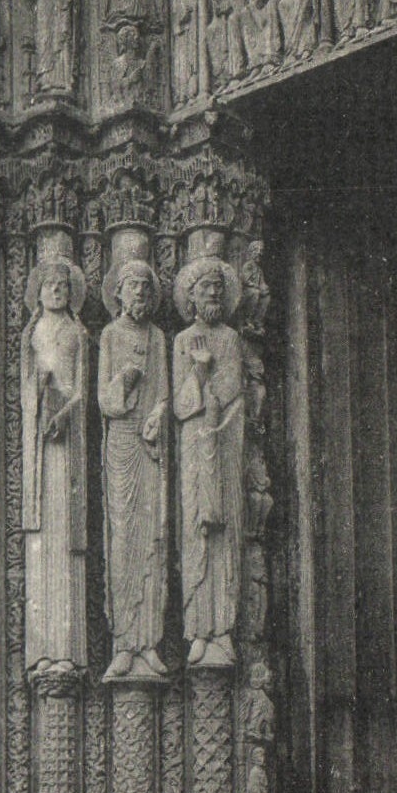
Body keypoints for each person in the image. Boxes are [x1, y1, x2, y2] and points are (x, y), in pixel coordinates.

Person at [98, 262, 169, 681]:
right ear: (119, 293)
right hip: (121, 443)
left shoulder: (158, 338)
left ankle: (150, 642)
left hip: (150, 445)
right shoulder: (109, 336)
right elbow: (105, 403)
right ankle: (124, 643)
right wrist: (123, 381)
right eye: (132, 286)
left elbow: (163, 394)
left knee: (153, 541)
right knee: (123, 540)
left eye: (146, 286)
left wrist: (159, 412)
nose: (140, 292)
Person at [173, 257, 245, 667]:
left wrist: (213, 396)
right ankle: (198, 630)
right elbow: (182, 406)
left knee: (225, 535)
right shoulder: (183, 341)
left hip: (225, 439)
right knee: (196, 532)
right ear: (191, 296)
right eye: (206, 288)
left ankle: (223, 629)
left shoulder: (231, 339)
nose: (214, 293)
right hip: (193, 445)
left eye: (219, 287)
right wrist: (199, 375)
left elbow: (233, 385)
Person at [21, 259, 89, 678]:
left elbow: (83, 389)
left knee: (64, 538)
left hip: (67, 443)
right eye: (49, 284)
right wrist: (37, 396)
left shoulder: (78, 334)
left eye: (63, 285)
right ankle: (42, 650)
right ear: (39, 291)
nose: (57, 289)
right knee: (42, 541)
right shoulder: (32, 335)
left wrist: (64, 412)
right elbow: (25, 388)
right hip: (39, 450)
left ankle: (67, 649)